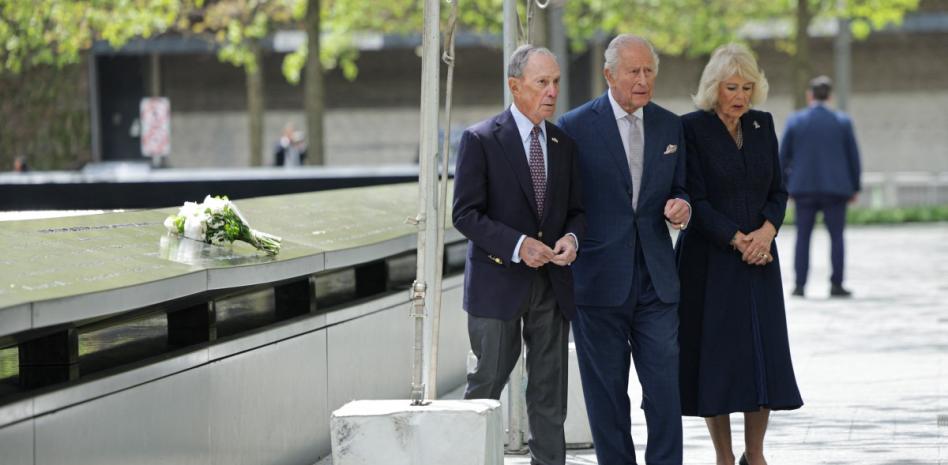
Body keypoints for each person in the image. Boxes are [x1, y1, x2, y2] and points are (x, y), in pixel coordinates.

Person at [557, 34, 690, 465]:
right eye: (633, 71)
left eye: (649, 71)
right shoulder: (574, 127)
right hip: (597, 282)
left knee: (665, 389)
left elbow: (683, 187)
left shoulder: (672, 126)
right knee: (607, 396)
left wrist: (682, 206)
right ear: (609, 74)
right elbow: (565, 204)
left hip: (657, 280)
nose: (642, 79)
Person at [452, 44, 585, 465]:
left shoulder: (564, 142)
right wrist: (517, 245)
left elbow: (578, 211)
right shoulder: (480, 139)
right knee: (487, 384)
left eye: (556, 82)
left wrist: (571, 240)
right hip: (497, 284)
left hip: (551, 283)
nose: (552, 92)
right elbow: (465, 215)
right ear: (515, 86)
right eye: (542, 82)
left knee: (549, 391)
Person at [677, 43, 803, 465]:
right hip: (711, 261)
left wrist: (765, 234)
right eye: (732, 87)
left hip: (760, 261)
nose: (741, 96)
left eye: (748, 87)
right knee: (719, 359)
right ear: (714, 87)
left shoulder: (763, 125)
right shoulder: (691, 128)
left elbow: (778, 191)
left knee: (761, 356)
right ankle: (725, 457)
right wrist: (738, 239)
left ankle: (756, 453)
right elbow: (694, 197)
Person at [780, 75, 862, 298]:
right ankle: (836, 284)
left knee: (802, 237)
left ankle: (799, 285)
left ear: (810, 95)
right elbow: (853, 157)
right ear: (830, 97)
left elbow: (782, 156)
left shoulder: (795, 121)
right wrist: (854, 187)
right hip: (836, 189)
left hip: (803, 188)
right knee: (837, 237)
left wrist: (783, 186)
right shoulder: (842, 121)